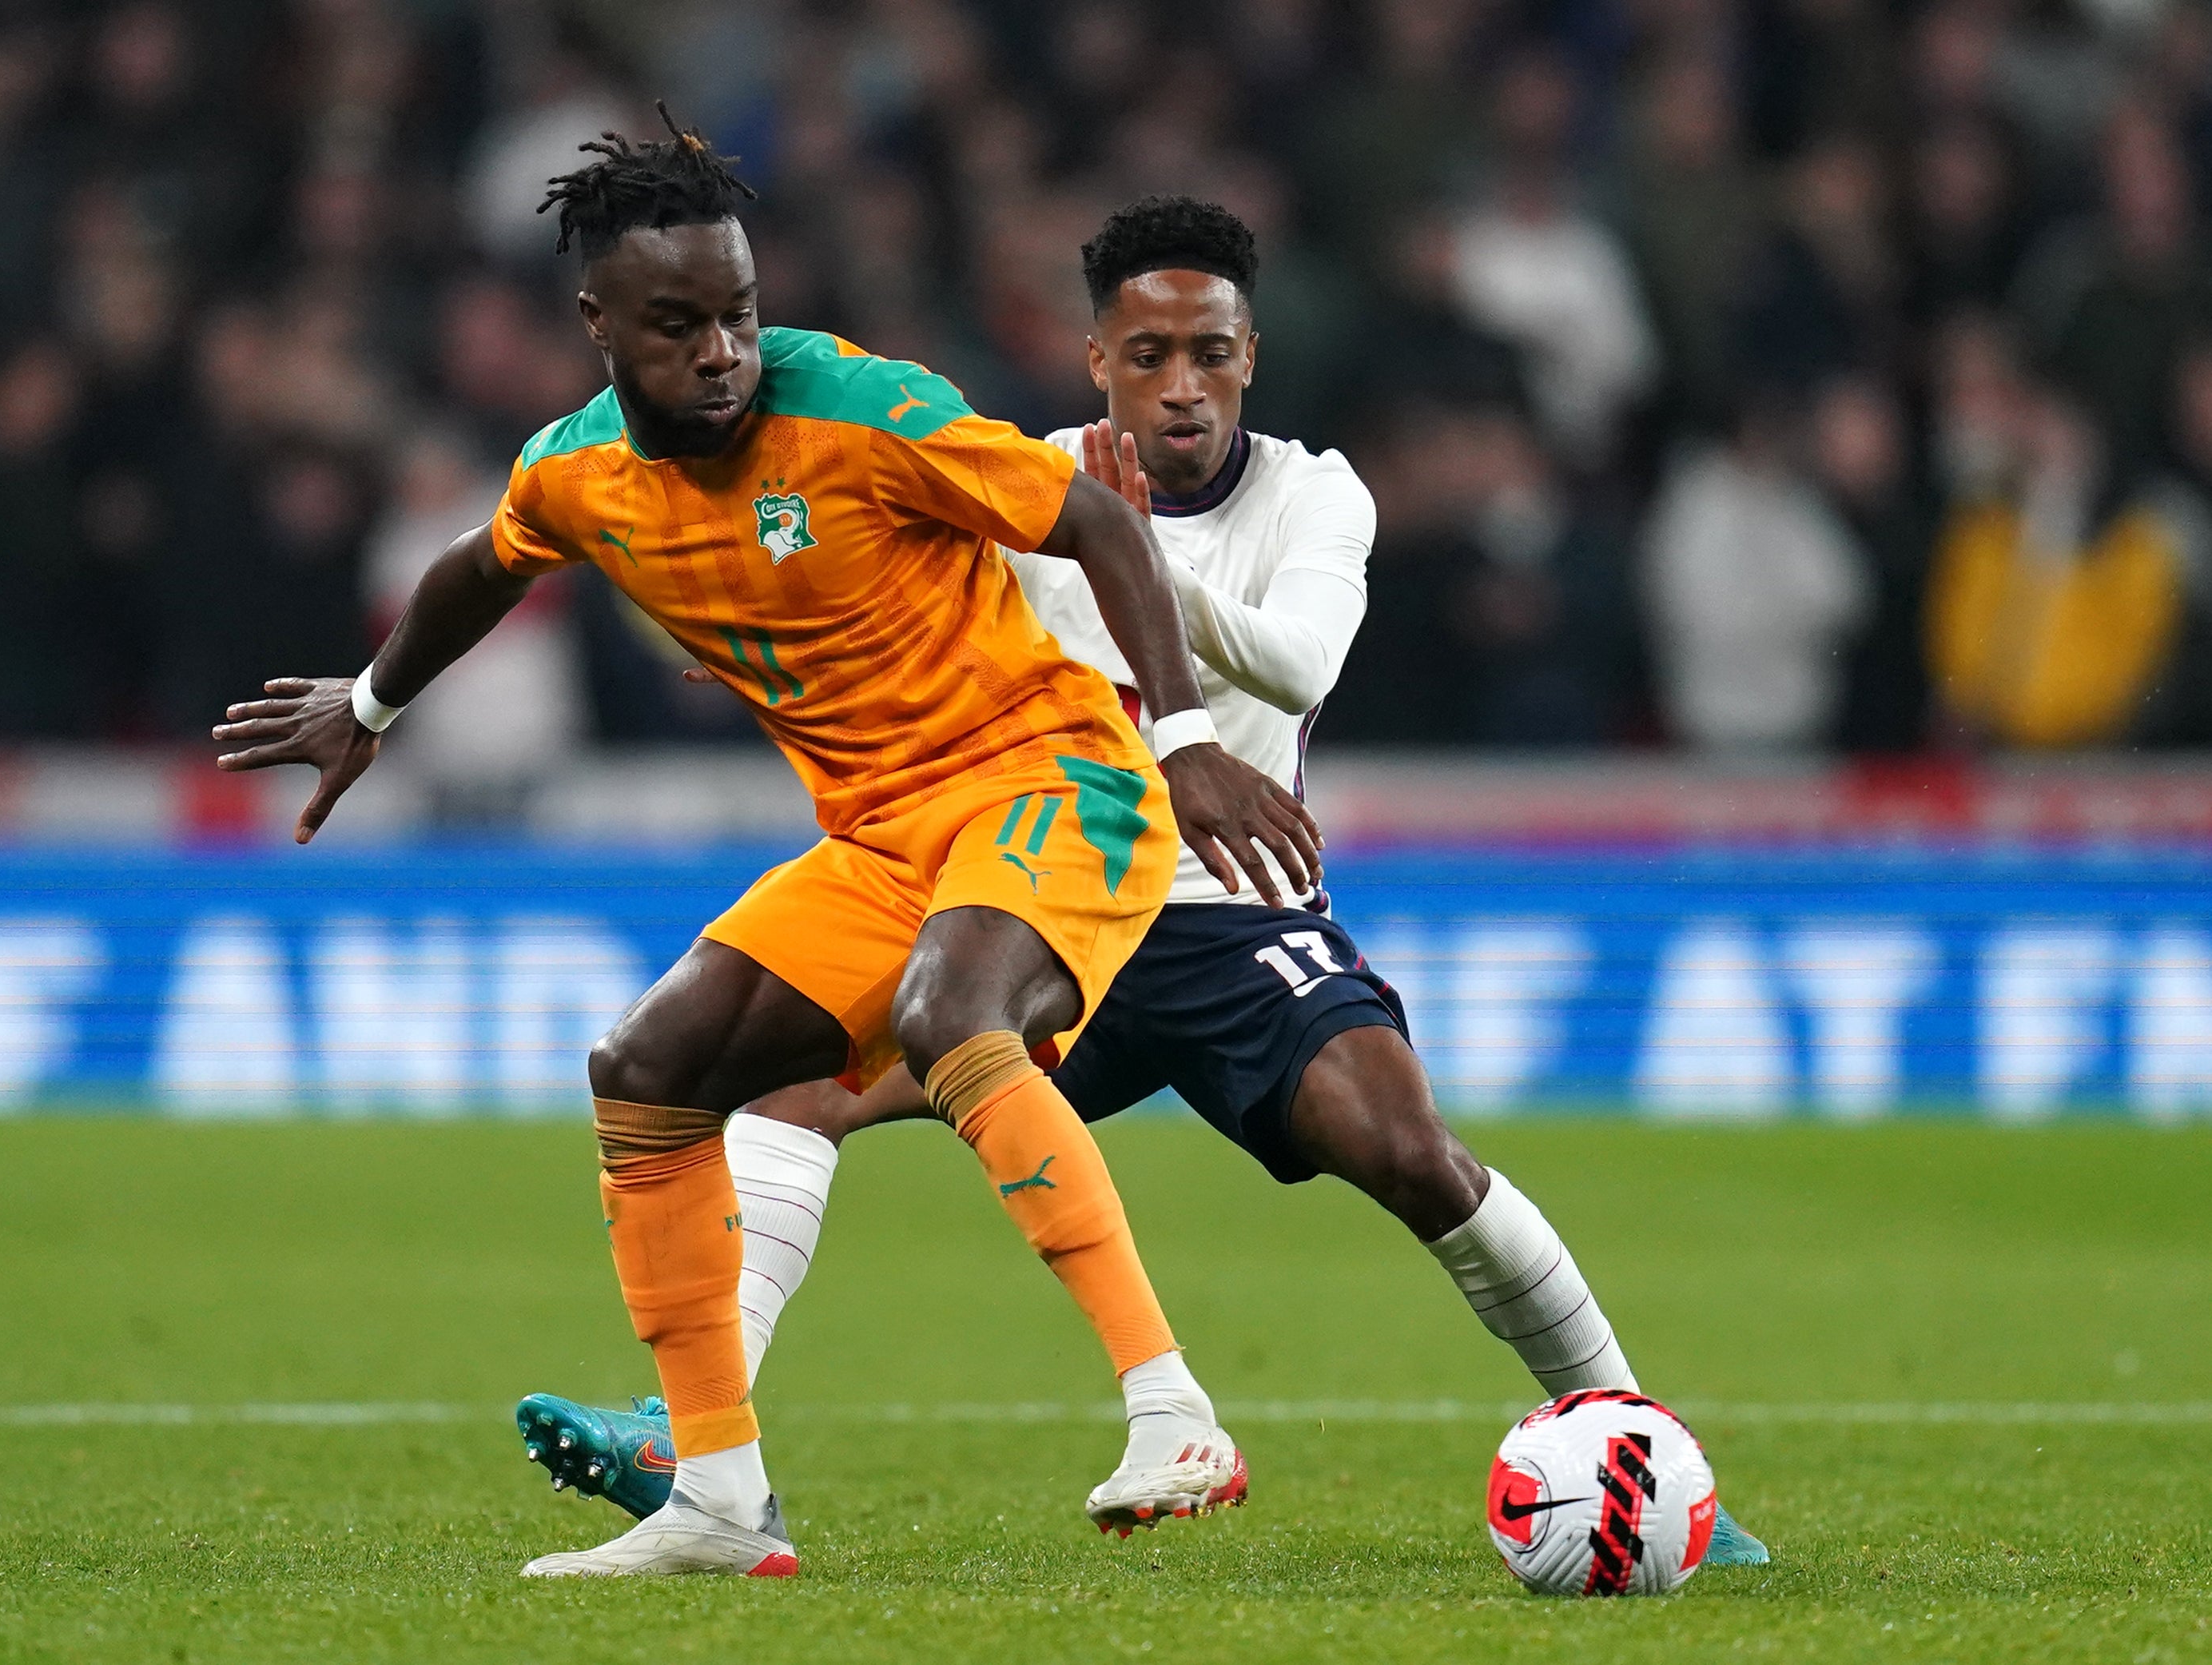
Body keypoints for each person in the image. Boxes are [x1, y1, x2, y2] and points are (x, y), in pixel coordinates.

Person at [519, 195, 1770, 1567]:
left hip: (1235, 917)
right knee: (780, 1095)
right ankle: (694, 1440)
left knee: (1411, 1154)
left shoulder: (1316, 493)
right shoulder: (1023, 477)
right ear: (1098, 363)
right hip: (1049, 905)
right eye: (1152, 354)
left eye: (1213, 353)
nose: (1185, 387)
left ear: (1252, 357)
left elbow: (1298, 665)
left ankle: (1641, 1443)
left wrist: (1133, 550)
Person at [212, 114, 1322, 1578]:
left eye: (737, 313)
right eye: (679, 327)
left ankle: (1173, 1412)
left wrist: (1184, 749)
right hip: (879, 836)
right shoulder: (575, 475)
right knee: (647, 1069)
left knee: (949, 1012)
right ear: (599, 325)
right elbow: (478, 569)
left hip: (1055, 779)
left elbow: (1105, 531)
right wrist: (371, 703)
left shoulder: (865, 407)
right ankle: (721, 1500)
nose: (724, 351)